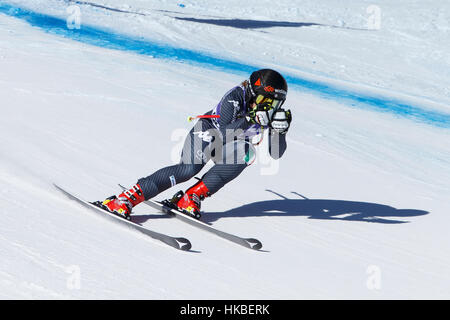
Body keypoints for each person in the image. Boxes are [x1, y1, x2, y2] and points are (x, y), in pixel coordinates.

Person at [96, 69, 292, 219]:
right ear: (251, 92)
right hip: (208, 132)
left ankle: (190, 197)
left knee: (247, 152)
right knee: (189, 168)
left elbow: (275, 154)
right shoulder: (235, 97)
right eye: (264, 100)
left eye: (274, 103)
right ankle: (126, 198)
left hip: (231, 142)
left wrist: (280, 132)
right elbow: (222, 134)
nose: (268, 106)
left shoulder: (270, 113)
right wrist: (250, 119)